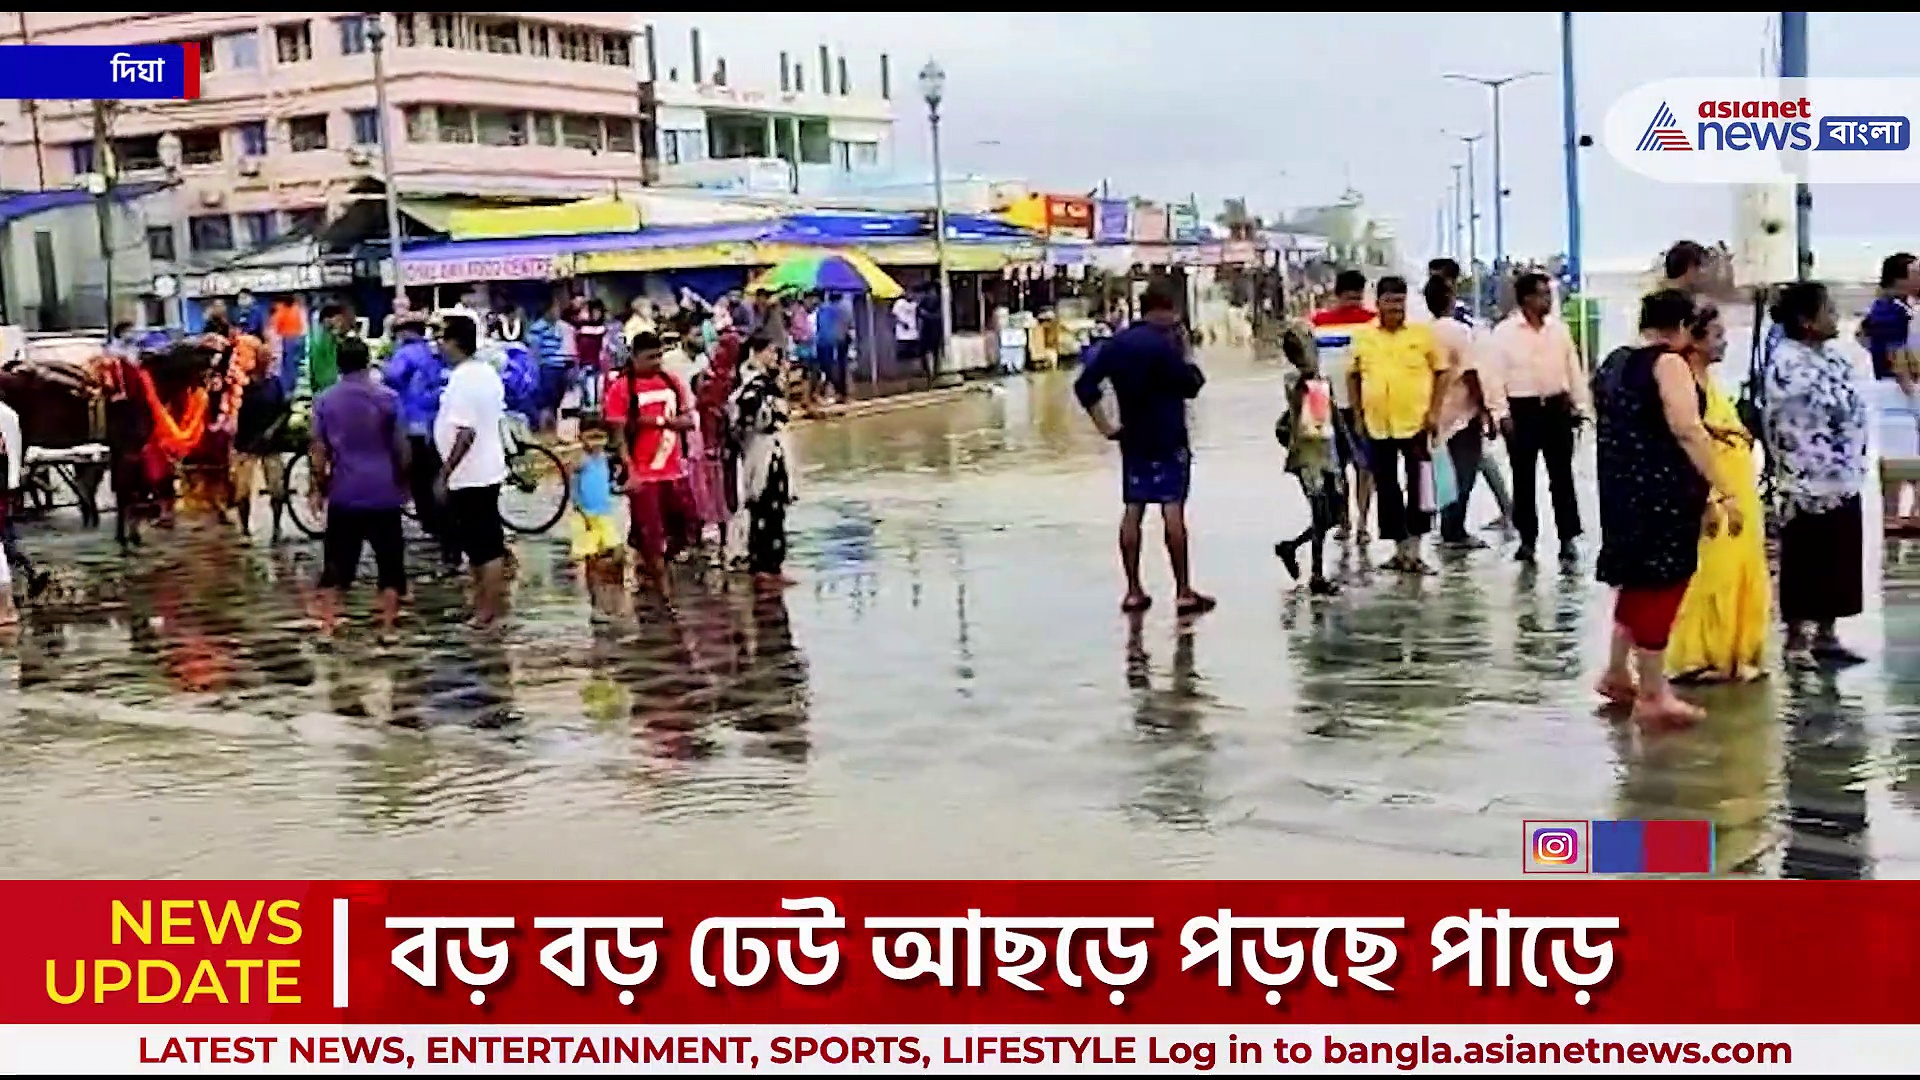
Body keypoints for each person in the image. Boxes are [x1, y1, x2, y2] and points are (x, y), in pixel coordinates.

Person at [1593, 290, 1739, 726]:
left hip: (1621, 491)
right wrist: (1725, 489)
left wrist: (1705, 424)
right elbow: (1684, 429)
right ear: (1681, 325)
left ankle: (1618, 673)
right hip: (1662, 493)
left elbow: (1637, 415)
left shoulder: (1616, 361)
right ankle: (1654, 694)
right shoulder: (1669, 362)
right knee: (1662, 587)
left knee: (1635, 583)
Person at [1072, 283, 1214, 616]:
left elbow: (1084, 385)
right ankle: (1182, 590)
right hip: (1169, 437)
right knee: (1172, 510)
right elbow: (1191, 385)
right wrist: (1185, 353)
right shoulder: (1165, 344)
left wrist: (1106, 427)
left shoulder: (1116, 345)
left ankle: (1134, 590)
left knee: (1133, 509)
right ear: (1165, 310)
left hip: (1132, 438)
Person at [1764, 281, 1870, 669]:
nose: (1834, 317)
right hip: (1806, 478)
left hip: (1843, 475)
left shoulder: (1834, 357)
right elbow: (1792, 421)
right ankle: (1795, 640)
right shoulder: (1787, 362)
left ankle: (1828, 635)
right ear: (1806, 321)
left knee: (1840, 556)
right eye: (1828, 310)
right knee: (1804, 559)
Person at [1665, 302, 1769, 683]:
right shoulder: (1686, 385)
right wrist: (1711, 497)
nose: (1725, 343)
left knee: (1741, 569)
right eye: (1718, 336)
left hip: (1738, 487)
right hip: (1712, 490)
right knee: (1712, 572)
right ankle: (1700, 655)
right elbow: (1688, 436)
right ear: (1694, 340)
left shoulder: (1711, 381)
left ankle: (1733, 652)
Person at [1480, 271, 1590, 564]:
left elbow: (1573, 368)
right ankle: (1527, 539)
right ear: (1526, 298)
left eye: (1549, 294)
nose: (1548, 300)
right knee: (1524, 477)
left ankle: (1568, 538)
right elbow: (1494, 376)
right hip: (1522, 409)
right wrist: (1500, 413)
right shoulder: (1504, 333)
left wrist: (1581, 406)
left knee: (1561, 476)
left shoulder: (1559, 330)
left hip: (1556, 407)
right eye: (1542, 294)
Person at [1348, 276, 1451, 574]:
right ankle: (1398, 551)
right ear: (1377, 302)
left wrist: (1434, 412)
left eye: (1400, 301)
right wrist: (1357, 415)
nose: (1396, 307)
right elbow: (1353, 375)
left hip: (1415, 422)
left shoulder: (1422, 335)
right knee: (1387, 487)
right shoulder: (1364, 337)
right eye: (1390, 301)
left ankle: (1416, 551)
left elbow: (1442, 372)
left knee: (1420, 487)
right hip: (1378, 424)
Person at [310, 338, 409, 639]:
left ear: (339, 364)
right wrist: (404, 481)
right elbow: (402, 448)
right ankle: (388, 627)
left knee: (337, 561)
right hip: (383, 491)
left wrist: (319, 485)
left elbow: (318, 451)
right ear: (367, 362)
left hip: (345, 491)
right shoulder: (388, 398)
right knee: (389, 560)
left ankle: (328, 625)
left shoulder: (325, 401)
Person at [433, 314, 513, 630]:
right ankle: (482, 605)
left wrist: (445, 472)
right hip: (484, 470)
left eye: (443, 338)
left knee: (485, 547)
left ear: (455, 342)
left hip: (472, 474)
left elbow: (466, 433)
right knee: (479, 546)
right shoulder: (484, 373)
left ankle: (487, 611)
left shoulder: (465, 379)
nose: (439, 345)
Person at [605, 331, 696, 595]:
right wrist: (631, 473)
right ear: (634, 358)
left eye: (659, 356)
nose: (656, 362)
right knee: (653, 535)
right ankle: (661, 588)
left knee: (686, 525)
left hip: (674, 471)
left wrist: (658, 422)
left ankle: (644, 562)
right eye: (650, 357)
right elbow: (618, 437)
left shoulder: (672, 381)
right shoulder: (622, 388)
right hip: (644, 475)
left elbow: (689, 421)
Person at [382, 310, 460, 573]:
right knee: (436, 476)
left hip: (414, 425)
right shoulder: (434, 353)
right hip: (436, 422)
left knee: (420, 480)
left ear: (405, 332)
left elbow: (391, 378)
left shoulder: (405, 354)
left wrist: (381, 367)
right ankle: (444, 533)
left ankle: (434, 527)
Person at [1272, 324, 1343, 596]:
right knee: (1319, 509)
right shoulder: (1296, 381)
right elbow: (1301, 401)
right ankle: (1317, 574)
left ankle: (1291, 547)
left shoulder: (1323, 382)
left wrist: (1352, 446)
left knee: (1333, 514)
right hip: (1306, 456)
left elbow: (1332, 417)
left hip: (1327, 453)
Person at [1309, 270, 1376, 541]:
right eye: (1349, 298)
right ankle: (1344, 521)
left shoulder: (1374, 323)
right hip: (1322, 402)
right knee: (1333, 468)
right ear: (1336, 296)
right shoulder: (1317, 323)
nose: (1353, 303)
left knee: (1364, 466)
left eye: (1357, 298)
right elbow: (1307, 365)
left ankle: (1362, 523)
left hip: (1364, 404)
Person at [1426, 274, 1491, 550]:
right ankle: (1455, 531)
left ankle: (1446, 527)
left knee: (1443, 473)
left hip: (1436, 413)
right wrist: (1485, 408)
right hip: (1463, 413)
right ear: (1451, 299)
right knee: (1464, 473)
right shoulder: (1459, 332)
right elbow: (1471, 374)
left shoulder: (1424, 332)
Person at [727, 335, 796, 590]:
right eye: (770, 352)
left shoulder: (768, 382)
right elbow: (745, 419)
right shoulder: (750, 384)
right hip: (759, 450)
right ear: (756, 352)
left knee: (776, 506)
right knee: (763, 505)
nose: (775, 357)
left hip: (774, 448)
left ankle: (773, 565)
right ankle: (761, 566)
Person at [1858, 252, 1920, 532]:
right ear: (1900, 277)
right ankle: (1895, 516)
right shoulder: (1891, 310)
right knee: (1900, 457)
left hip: (1893, 387)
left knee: (1902, 453)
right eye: (1915, 272)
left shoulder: (1895, 307)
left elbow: (1861, 334)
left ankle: (1901, 514)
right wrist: (1910, 390)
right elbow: (1896, 355)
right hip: (1897, 389)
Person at [230, 325, 292, 541]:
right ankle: (244, 528)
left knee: (277, 489)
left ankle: (276, 527)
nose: (268, 363)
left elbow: (285, 409)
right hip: (246, 443)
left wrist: (273, 430)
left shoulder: (274, 384)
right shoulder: (241, 384)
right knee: (242, 492)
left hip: (270, 444)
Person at [568, 420, 624, 592]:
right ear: (581, 438)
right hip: (586, 514)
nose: (596, 443)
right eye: (591, 438)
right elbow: (571, 474)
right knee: (589, 555)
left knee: (617, 548)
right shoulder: (582, 461)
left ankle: (606, 583)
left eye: (600, 437)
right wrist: (576, 503)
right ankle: (593, 588)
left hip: (604, 512)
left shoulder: (605, 459)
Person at [814, 290, 851, 403]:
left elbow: (820, 326)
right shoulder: (845, 307)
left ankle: (837, 392)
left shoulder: (824, 309)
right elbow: (848, 323)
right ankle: (841, 392)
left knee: (829, 368)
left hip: (828, 341)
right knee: (839, 367)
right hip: (839, 339)